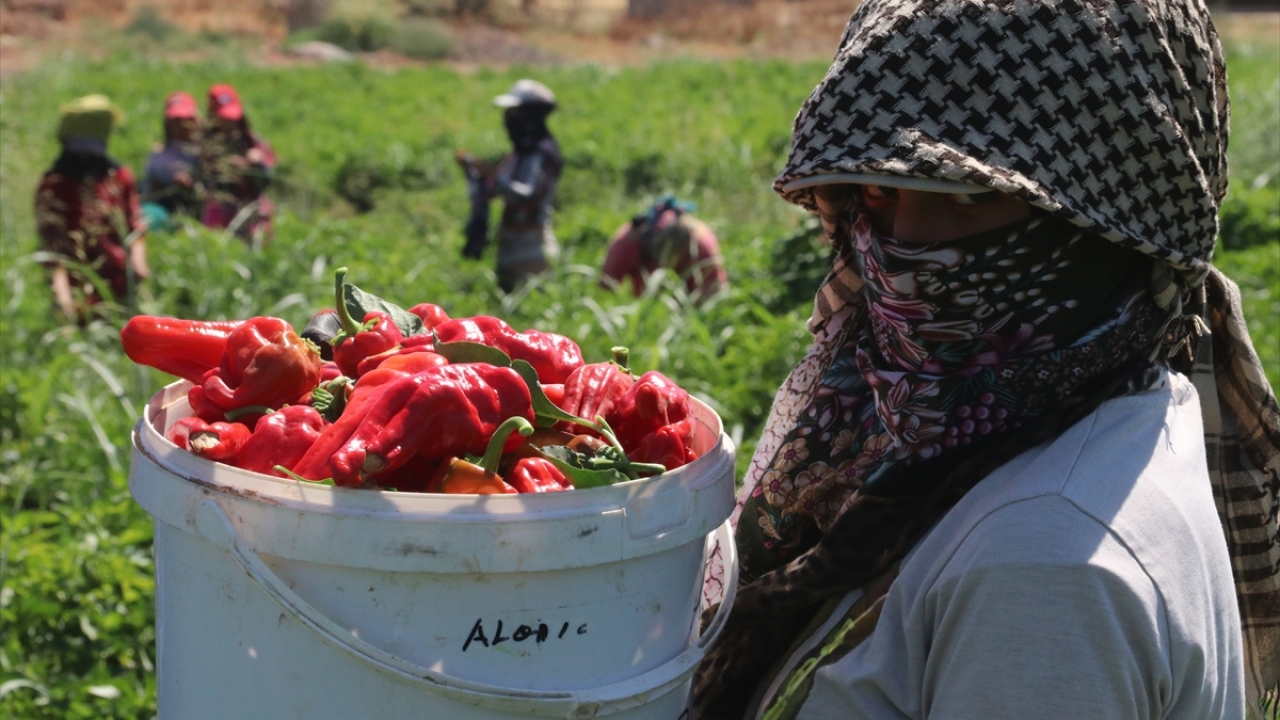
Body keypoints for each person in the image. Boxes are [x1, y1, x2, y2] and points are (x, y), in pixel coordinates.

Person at [692, 1, 1280, 719]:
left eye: (969, 197)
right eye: (879, 189)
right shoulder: (1114, 407)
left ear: (1116, 231)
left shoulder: (1043, 569)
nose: (903, 244)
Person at [34, 94, 149, 321]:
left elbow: (134, 222)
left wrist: (138, 261)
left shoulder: (118, 177)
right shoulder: (54, 185)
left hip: (119, 285)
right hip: (77, 293)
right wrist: (64, 298)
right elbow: (53, 247)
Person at [456, 79, 563, 293]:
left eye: (514, 112)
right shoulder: (520, 153)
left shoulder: (541, 153)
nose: (508, 119)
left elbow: (526, 196)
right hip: (510, 245)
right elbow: (493, 189)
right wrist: (473, 171)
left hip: (532, 247)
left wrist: (492, 176)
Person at [600, 195, 728, 302]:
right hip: (642, 306)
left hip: (690, 306)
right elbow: (606, 286)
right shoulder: (628, 240)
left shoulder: (701, 244)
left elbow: (714, 294)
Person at [199, 83, 276, 243]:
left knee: (259, 233)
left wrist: (256, 165)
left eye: (233, 119)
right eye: (224, 119)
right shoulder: (205, 144)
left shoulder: (252, 142)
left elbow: (268, 181)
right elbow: (204, 180)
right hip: (219, 207)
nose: (230, 124)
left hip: (251, 205)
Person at [141, 91, 203, 231]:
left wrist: (193, 186)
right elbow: (149, 192)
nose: (181, 126)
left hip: (198, 208)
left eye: (186, 120)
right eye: (175, 121)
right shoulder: (159, 153)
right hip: (165, 206)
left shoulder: (206, 150)